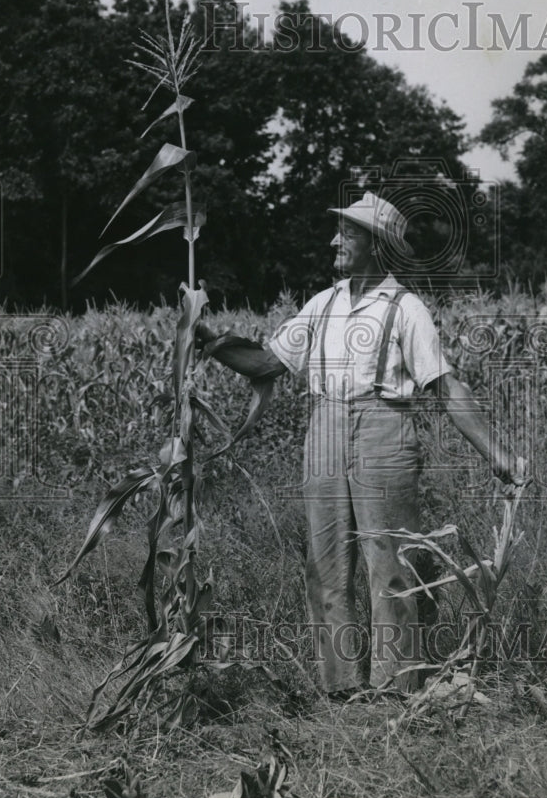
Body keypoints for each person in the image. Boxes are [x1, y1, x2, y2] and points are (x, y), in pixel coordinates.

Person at [197, 192, 523, 699]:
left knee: (390, 565)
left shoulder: (407, 308)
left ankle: (393, 690)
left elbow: (446, 387)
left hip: (384, 428)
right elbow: (266, 365)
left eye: (347, 233)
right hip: (324, 427)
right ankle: (341, 689)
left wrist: (496, 454)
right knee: (325, 564)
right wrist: (205, 338)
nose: (334, 240)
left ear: (376, 244)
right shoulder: (322, 304)